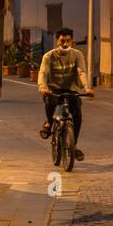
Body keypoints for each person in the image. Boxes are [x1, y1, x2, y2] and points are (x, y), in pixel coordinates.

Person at [37, 27, 90, 161]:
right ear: (57, 41)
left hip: (71, 90)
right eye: (62, 41)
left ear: (72, 41)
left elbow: (81, 72)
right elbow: (43, 72)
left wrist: (87, 88)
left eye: (68, 41)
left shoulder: (77, 55)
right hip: (53, 90)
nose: (65, 44)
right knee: (49, 100)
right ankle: (49, 123)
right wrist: (42, 87)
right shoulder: (49, 56)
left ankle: (74, 144)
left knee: (77, 113)